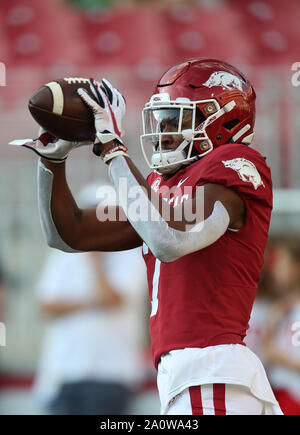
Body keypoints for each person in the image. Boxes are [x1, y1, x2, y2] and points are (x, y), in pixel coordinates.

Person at [11, 58, 283, 415]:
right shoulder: (159, 189)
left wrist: (112, 149)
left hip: (210, 371)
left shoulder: (235, 163)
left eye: (175, 120)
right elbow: (69, 233)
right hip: (193, 377)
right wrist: (53, 162)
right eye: (161, 119)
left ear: (222, 120)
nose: (164, 130)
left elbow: (169, 240)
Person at [32, 183, 147, 415]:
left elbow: (113, 300)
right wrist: (91, 302)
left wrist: (96, 262)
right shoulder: (63, 255)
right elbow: (46, 306)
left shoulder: (132, 256)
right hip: (63, 372)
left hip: (111, 374)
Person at [261, 239, 300, 415]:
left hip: (294, 396)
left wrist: (275, 354)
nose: (275, 269)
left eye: (282, 262)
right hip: (279, 394)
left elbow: (269, 350)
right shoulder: (282, 307)